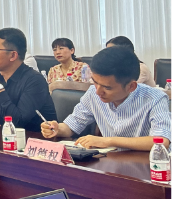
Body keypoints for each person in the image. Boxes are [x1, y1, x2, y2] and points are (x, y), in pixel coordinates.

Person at [41, 47, 172, 151]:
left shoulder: (155, 98)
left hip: (149, 166)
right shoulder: (93, 93)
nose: (98, 91)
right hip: (112, 164)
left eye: (107, 88)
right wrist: (56, 128)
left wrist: (108, 141)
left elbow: (161, 141)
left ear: (131, 86)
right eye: (95, 82)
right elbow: (72, 125)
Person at [0, 28, 57, 132]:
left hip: (37, 139)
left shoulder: (35, 80)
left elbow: (18, 123)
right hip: (7, 138)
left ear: (13, 55)